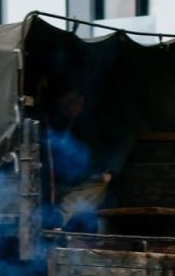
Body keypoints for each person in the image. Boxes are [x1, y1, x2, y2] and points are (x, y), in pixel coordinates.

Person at [44, 86, 133, 233]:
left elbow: (125, 139)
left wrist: (111, 169)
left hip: (93, 180)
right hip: (66, 182)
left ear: (82, 101)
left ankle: (58, 223)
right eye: (66, 104)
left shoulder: (98, 121)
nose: (71, 107)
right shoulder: (57, 122)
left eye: (74, 101)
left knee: (75, 202)